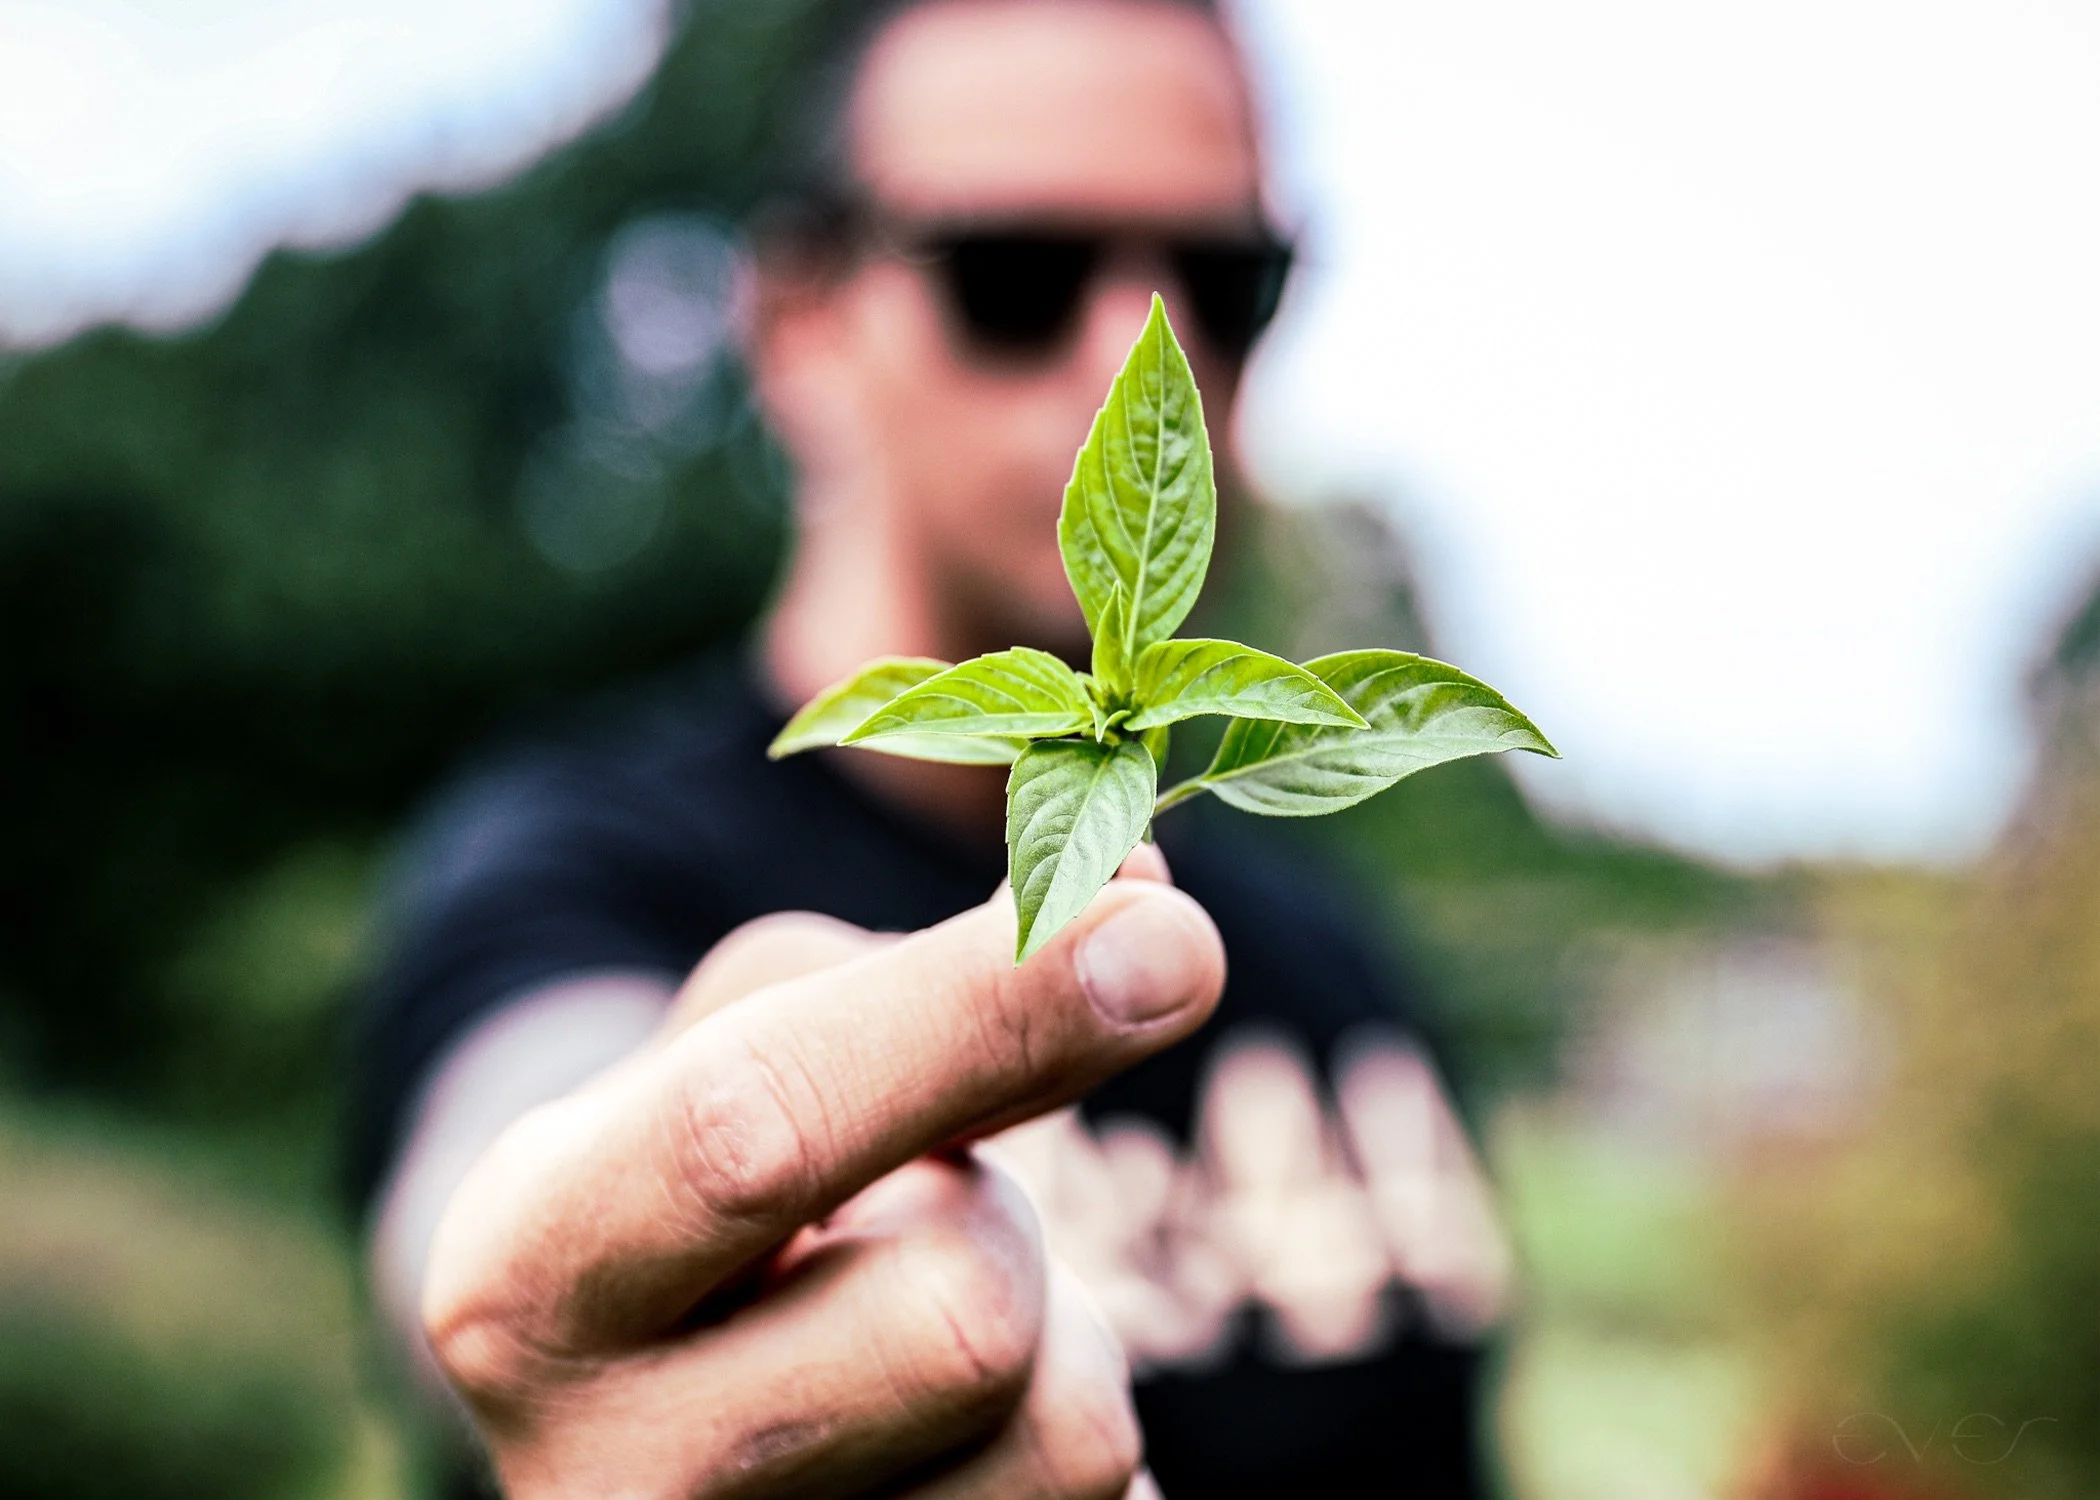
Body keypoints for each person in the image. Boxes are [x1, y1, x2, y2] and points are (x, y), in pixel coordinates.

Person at [348, 0, 1513, 1494]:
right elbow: (504, 1179)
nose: (1132, 355)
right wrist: (612, 1283)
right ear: (798, 328)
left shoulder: (1334, 958)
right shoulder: (573, 862)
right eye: (1014, 276)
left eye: (1227, 283)